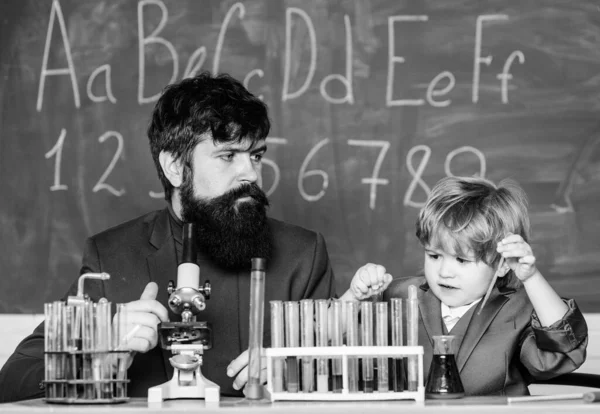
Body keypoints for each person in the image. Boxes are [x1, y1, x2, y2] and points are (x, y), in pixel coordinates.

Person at [0, 71, 391, 402]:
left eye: (255, 155)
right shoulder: (110, 256)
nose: (251, 175)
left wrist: (294, 371)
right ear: (174, 166)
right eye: (227, 156)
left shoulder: (301, 254)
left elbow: (351, 379)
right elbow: (13, 379)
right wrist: (100, 349)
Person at [383, 175, 588, 396]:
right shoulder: (399, 296)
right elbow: (344, 338)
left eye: (462, 260)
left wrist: (532, 278)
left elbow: (561, 351)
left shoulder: (518, 309)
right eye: (434, 256)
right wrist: (354, 295)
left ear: (501, 264)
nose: (443, 272)